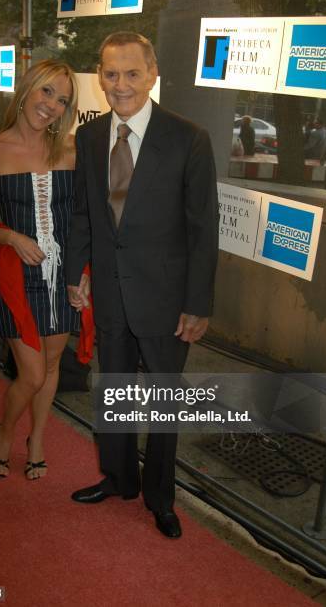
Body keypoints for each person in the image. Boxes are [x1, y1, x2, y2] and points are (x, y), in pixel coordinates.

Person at [66, 32, 219, 538]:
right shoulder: (88, 138)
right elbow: (85, 215)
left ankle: (160, 496)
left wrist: (198, 304)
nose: (121, 84)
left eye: (132, 73)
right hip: (109, 294)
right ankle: (118, 479)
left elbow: (203, 228)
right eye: (111, 74)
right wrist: (76, 275)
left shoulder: (188, 137)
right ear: (100, 78)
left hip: (166, 301)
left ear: (153, 75)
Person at [0, 59, 80, 480]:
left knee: (51, 368)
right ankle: (5, 432)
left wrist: (84, 273)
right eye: (46, 91)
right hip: (16, 278)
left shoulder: (71, 150)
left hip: (65, 277)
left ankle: (37, 439)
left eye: (62, 99)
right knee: (30, 373)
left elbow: (85, 216)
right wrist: (10, 237)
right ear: (27, 89)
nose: (52, 105)